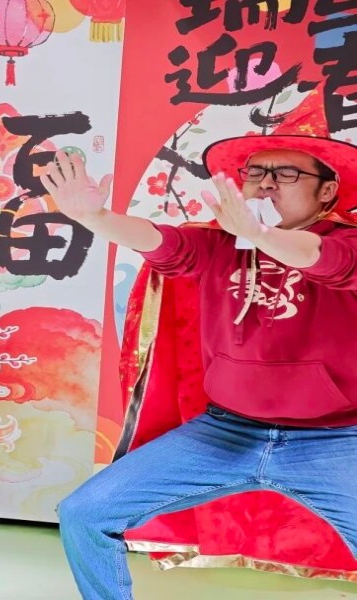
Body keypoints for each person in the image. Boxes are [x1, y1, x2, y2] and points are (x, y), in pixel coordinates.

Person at [46, 90, 357, 600]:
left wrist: (261, 235)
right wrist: (95, 218)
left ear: (327, 192)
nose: (266, 183)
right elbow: (160, 241)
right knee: (85, 512)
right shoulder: (217, 245)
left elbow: (319, 257)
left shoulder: (346, 244)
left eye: (287, 173)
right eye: (256, 173)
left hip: (334, 440)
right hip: (224, 432)